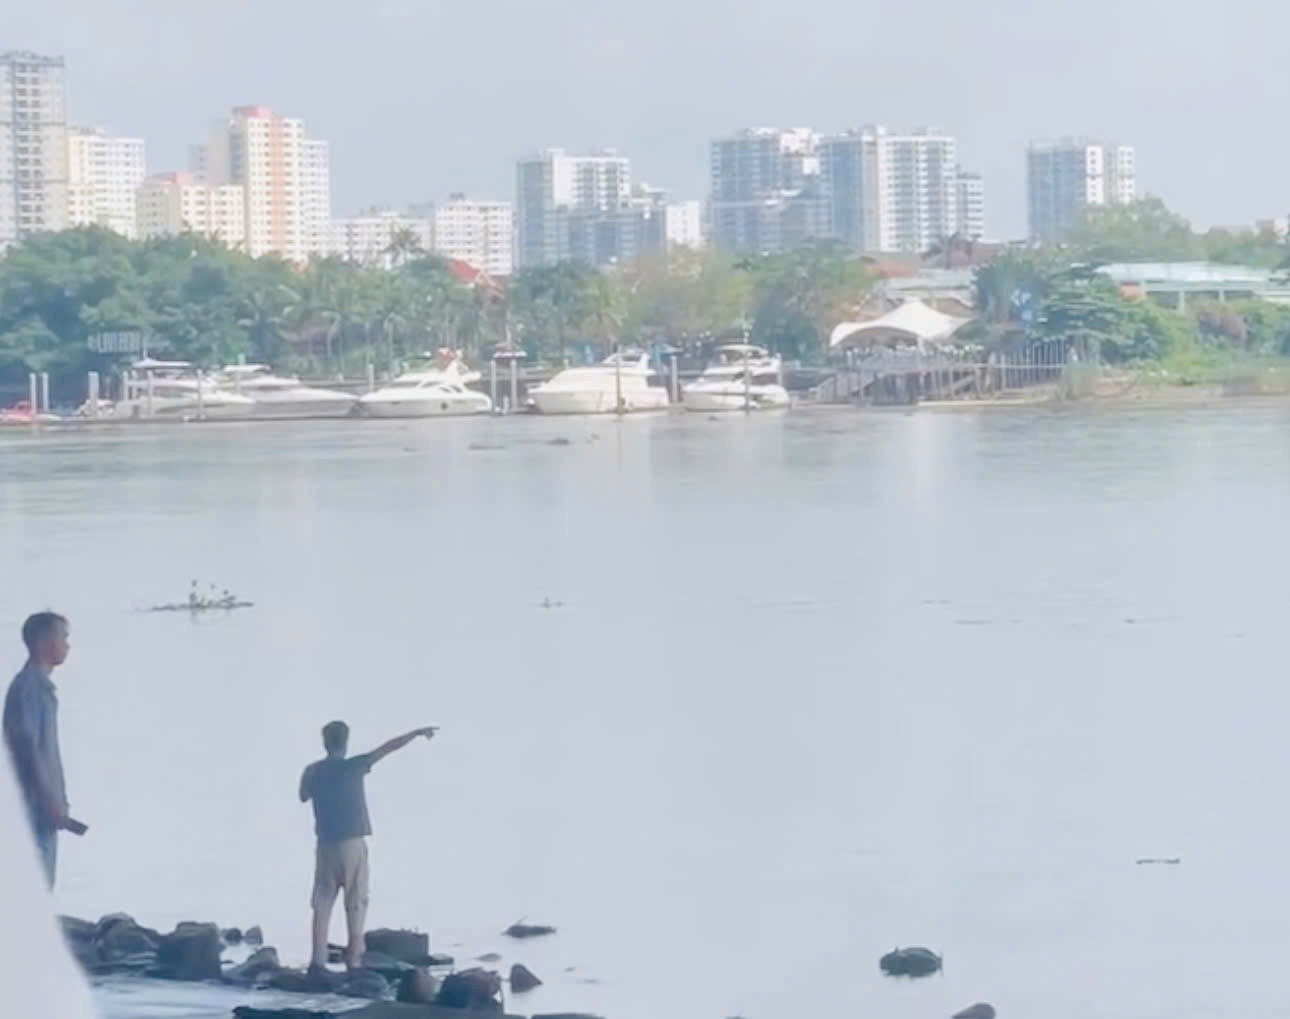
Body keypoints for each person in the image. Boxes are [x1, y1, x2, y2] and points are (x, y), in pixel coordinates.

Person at [300, 721, 436, 974]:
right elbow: (387, 748)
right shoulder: (355, 766)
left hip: (325, 845)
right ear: (346, 741)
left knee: (322, 901)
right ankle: (354, 958)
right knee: (356, 900)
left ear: (324, 742)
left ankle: (317, 961)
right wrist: (416, 733)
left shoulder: (313, 771)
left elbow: (303, 795)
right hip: (352, 842)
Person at [2, 612, 86, 890]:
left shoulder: (41, 689)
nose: (67, 645)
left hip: (41, 808)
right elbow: (25, 749)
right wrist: (49, 802)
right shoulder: (29, 689)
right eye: (63, 637)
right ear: (42, 642)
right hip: (31, 810)